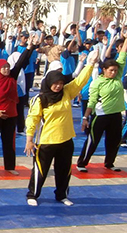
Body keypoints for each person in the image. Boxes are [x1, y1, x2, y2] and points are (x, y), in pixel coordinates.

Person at [25, 49, 99, 207]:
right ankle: (33, 194)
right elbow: (32, 119)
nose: (58, 86)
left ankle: (61, 195)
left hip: (66, 139)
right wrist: (29, 139)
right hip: (46, 141)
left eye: (60, 83)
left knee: (64, 170)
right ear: (49, 82)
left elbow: (80, 81)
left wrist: (90, 64)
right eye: (55, 83)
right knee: (40, 170)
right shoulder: (40, 99)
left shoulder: (66, 92)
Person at [0, 35, 38, 175]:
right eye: (3, 68)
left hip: (11, 115)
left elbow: (20, 62)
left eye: (7, 67)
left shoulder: (12, 77)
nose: (6, 70)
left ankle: (10, 166)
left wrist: (30, 47)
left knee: (9, 142)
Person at [77, 33, 127, 172]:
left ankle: (109, 163)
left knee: (114, 141)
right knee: (93, 141)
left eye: (116, 70)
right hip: (100, 115)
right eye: (111, 70)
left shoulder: (117, 78)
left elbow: (122, 56)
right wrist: (85, 118)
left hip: (116, 114)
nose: (114, 72)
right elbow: (91, 102)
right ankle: (82, 163)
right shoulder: (97, 83)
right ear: (104, 70)